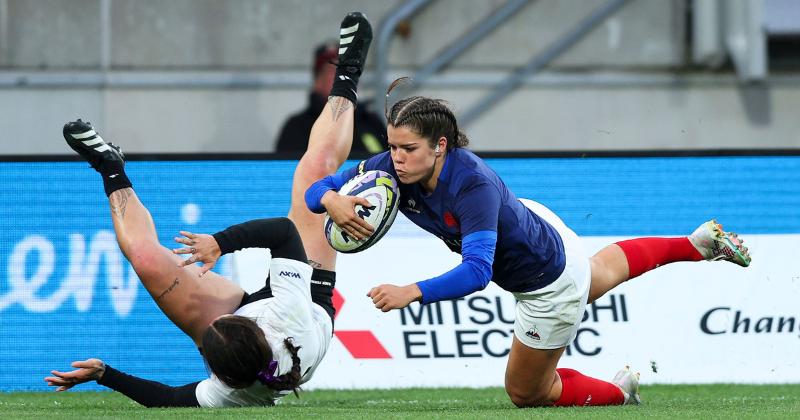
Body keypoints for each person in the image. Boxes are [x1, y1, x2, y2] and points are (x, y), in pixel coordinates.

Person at [304, 78, 752, 408]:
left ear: (440, 146)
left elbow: (478, 272)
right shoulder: (388, 167)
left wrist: (412, 292)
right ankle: (695, 245)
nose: (396, 158)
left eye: (409, 149)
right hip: (539, 227)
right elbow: (312, 187)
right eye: (393, 146)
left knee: (527, 391)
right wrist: (330, 198)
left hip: (546, 284)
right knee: (597, 272)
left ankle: (621, 391)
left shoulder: (471, 186)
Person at [44, 11, 374, 408]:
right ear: (251, 325)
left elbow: (163, 398)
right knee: (316, 170)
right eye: (226, 323)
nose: (214, 323)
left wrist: (105, 374)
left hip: (252, 338)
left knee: (147, 259)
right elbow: (284, 233)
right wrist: (220, 243)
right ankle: (348, 74)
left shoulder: (226, 390)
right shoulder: (287, 314)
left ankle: (110, 167)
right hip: (309, 305)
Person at [274, 40, 387, 154]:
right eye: (333, 71)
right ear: (317, 82)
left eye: (348, 71)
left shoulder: (371, 123)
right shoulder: (296, 128)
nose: (343, 77)